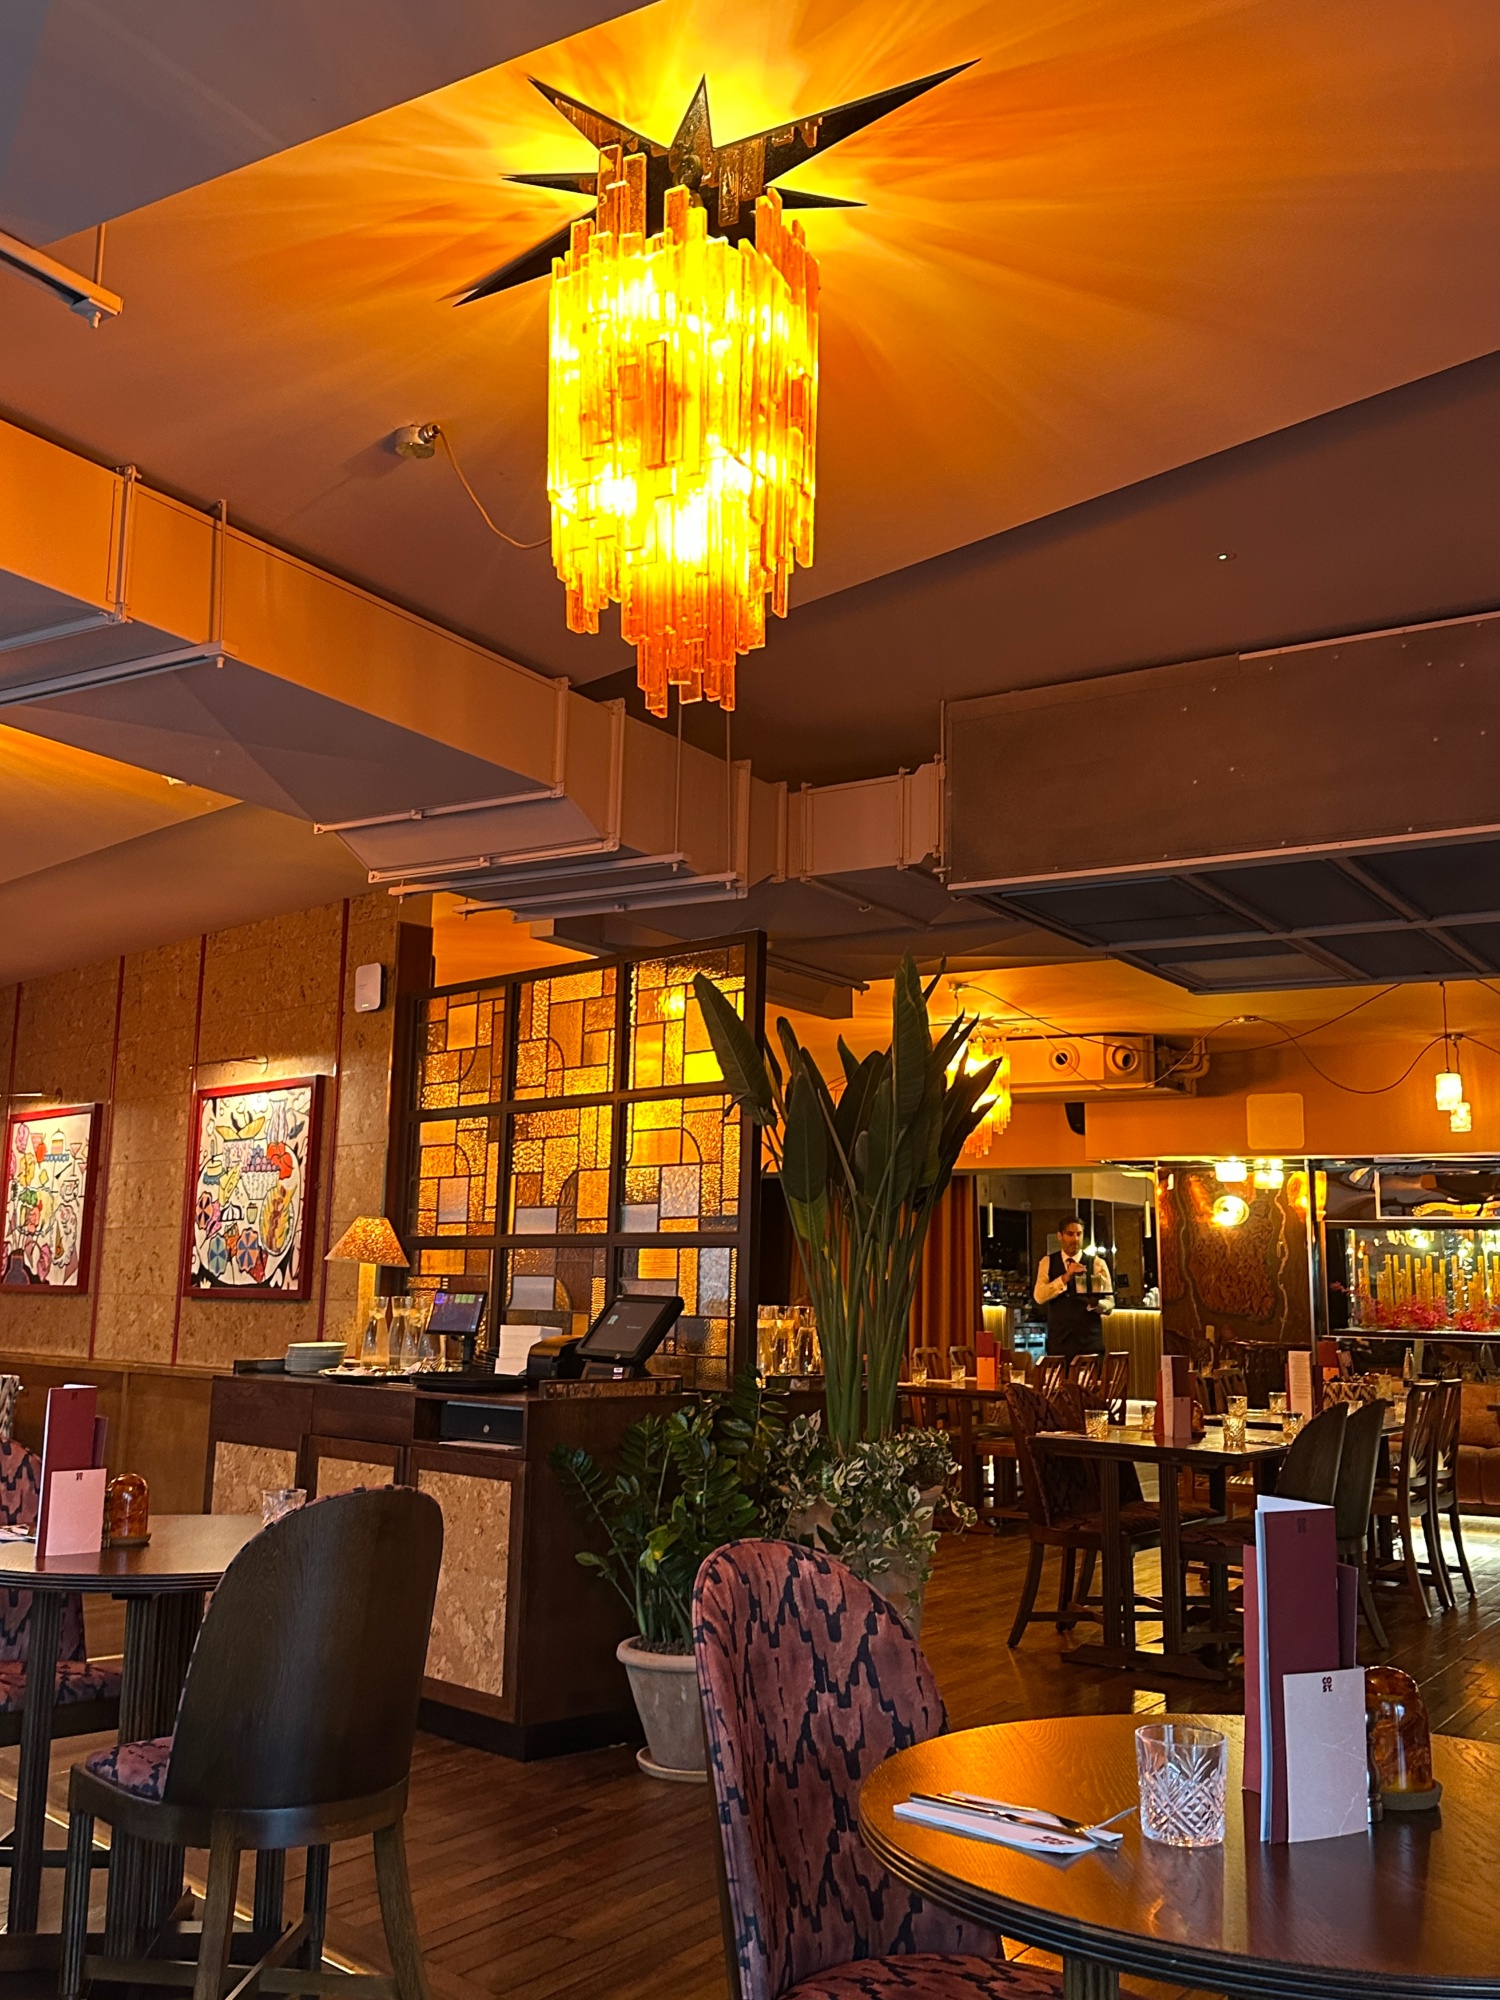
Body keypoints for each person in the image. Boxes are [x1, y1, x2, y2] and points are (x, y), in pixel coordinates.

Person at [1033, 1215, 1113, 1359]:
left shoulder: (1097, 1263)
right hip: (1058, 1342)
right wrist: (1065, 1277)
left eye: (1079, 1234)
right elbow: (1039, 1296)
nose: (1075, 1239)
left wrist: (1096, 1304)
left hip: (1089, 1343)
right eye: (1070, 1234)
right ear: (1060, 1236)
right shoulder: (1047, 1262)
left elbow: (1110, 1304)